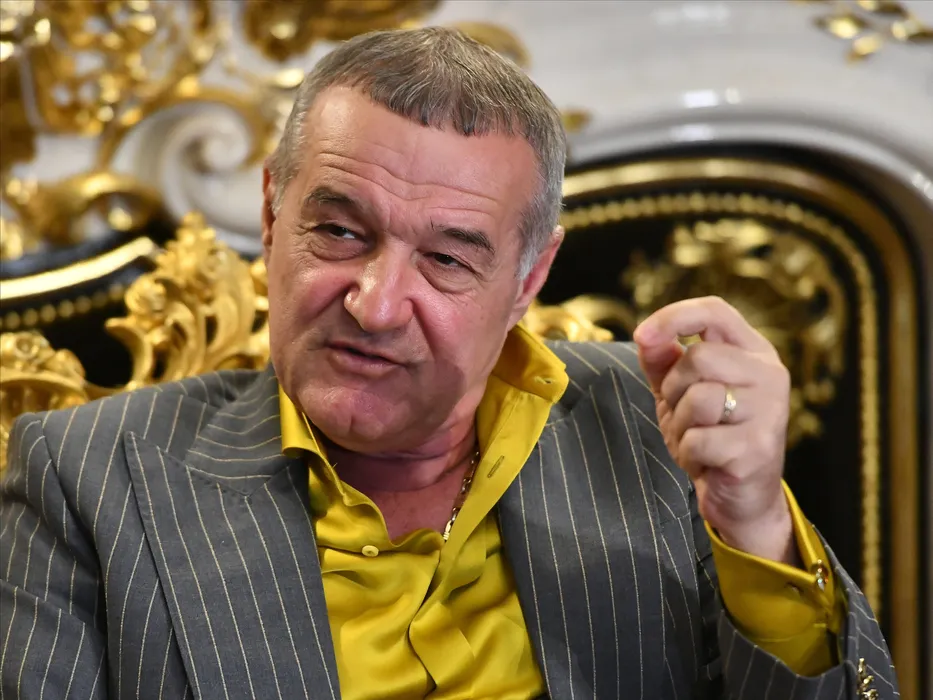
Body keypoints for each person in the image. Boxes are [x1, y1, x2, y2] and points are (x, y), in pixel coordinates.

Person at [0, 27, 896, 700]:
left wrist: (752, 522)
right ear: (272, 216)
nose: (376, 304)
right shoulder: (88, 478)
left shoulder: (657, 427)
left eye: (445, 259)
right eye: (339, 231)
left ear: (528, 278)